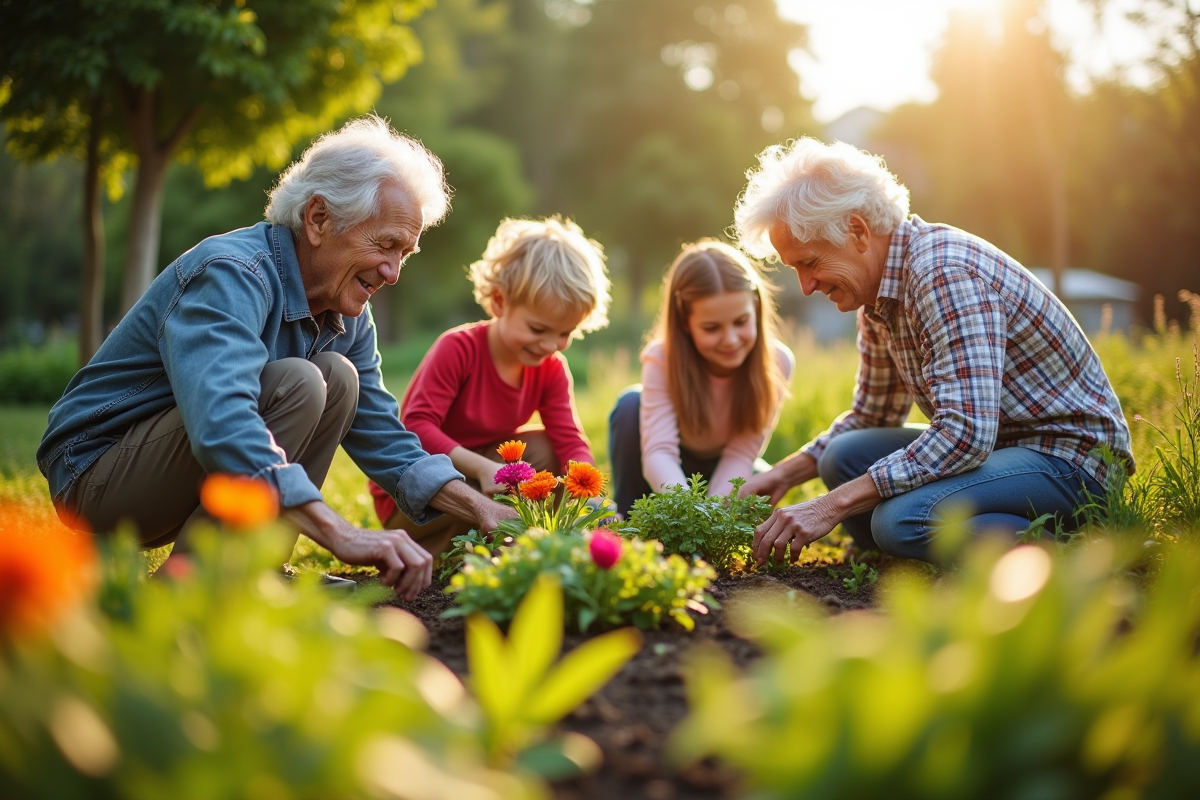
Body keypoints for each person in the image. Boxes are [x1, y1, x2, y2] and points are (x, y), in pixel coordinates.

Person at [37, 116, 513, 600]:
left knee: (338, 377)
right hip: (97, 474)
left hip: (182, 469)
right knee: (301, 382)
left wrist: (478, 507)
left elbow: (385, 437)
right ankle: (190, 587)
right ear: (319, 219)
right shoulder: (231, 274)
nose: (393, 273)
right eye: (385, 244)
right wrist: (337, 531)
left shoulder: (346, 308)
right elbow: (223, 422)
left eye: (405, 253)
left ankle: (259, 569)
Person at [731, 137, 1135, 564]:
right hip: (1002, 449)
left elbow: (964, 435)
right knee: (842, 457)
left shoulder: (942, 274)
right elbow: (873, 414)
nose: (806, 287)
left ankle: (1079, 551)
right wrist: (783, 475)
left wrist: (827, 506)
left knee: (899, 520)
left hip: (1071, 462)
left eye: (810, 263)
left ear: (857, 231)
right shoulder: (875, 297)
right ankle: (930, 547)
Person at [368, 216, 611, 555]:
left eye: (565, 333)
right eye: (539, 330)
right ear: (499, 301)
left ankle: (518, 540)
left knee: (548, 448)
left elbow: (569, 438)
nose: (551, 344)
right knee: (529, 460)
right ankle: (456, 544)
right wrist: (483, 469)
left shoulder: (551, 368)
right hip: (416, 496)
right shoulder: (459, 349)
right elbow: (417, 427)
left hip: (485, 480)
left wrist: (590, 492)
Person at [608, 239, 794, 517]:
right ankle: (630, 520)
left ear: (755, 308)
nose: (730, 340)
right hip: (666, 474)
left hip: (726, 470)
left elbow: (741, 455)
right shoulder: (662, 358)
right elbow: (659, 453)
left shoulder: (777, 362)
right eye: (711, 328)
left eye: (741, 322)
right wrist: (689, 509)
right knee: (630, 404)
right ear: (685, 322)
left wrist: (709, 518)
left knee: (764, 479)